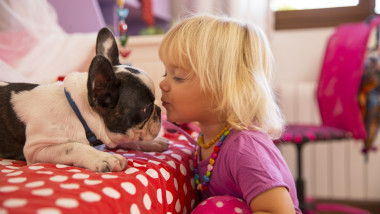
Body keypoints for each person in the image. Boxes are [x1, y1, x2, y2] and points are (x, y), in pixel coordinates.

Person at [159, 13, 301, 214]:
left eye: (178, 77)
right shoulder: (209, 138)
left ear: (224, 89)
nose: (162, 83)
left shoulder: (245, 147)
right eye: (166, 73)